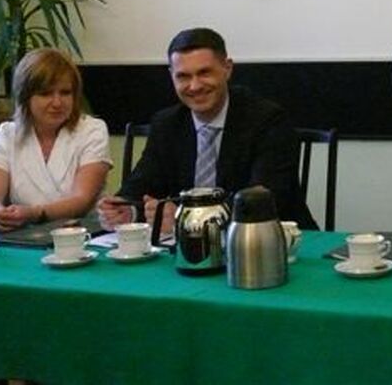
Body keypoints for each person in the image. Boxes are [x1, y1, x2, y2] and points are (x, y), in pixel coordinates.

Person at [97, 28, 317, 232]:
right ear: (171, 75)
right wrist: (127, 210)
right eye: (183, 76)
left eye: (204, 73)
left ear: (227, 69)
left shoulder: (268, 120)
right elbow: (141, 185)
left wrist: (185, 218)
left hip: (273, 242)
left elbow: (261, 200)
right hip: (188, 251)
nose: (194, 86)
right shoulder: (167, 124)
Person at [0, 49, 111, 230]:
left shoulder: (92, 130)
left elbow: (81, 200)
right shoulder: (7, 136)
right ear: (25, 97)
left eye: (65, 93)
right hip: (25, 235)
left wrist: (34, 213)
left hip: (83, 234)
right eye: (46, 94)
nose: (57, 102)